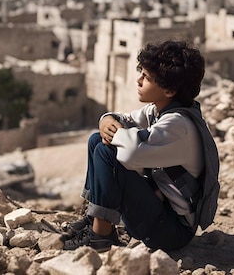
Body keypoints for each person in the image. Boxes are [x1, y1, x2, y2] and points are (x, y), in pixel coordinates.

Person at [62, 40, 215, 252]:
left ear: (169, 90)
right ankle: (94, 219)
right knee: (97, 140)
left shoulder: (179, 125)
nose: (139, 80)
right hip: (159, 214)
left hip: (173, 230)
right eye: (140, 73)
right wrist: (107, 120)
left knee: (107, 151)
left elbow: (130, 154)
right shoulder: (158, 111)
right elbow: (124, 119)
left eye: (147, 78)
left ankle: (100, 235)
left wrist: (116, 132)